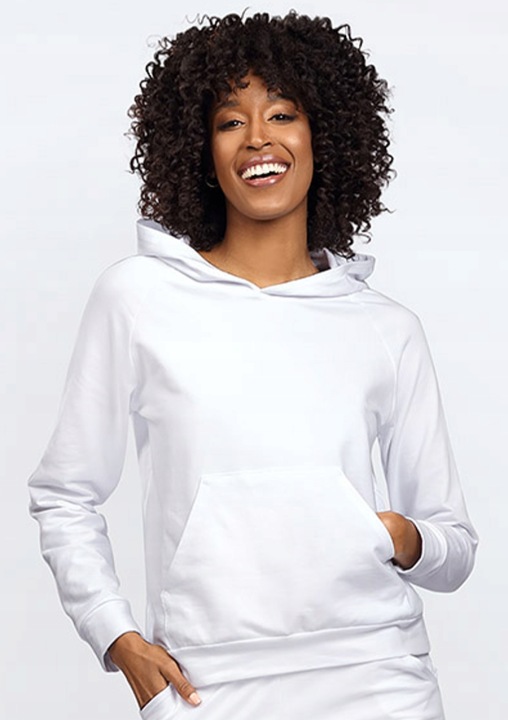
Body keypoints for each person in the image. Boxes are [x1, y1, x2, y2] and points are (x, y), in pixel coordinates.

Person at [27, 10, 479, 720]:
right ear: (199, 150)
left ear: (324, 135)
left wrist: (399, 536)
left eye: (283, 114)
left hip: (379, 677)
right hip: (210, 684)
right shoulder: (139, 299)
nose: (259, 138)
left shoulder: (386, 329)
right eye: (230, 121)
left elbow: (454, 548)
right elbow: (65, 495)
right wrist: (116, 636)